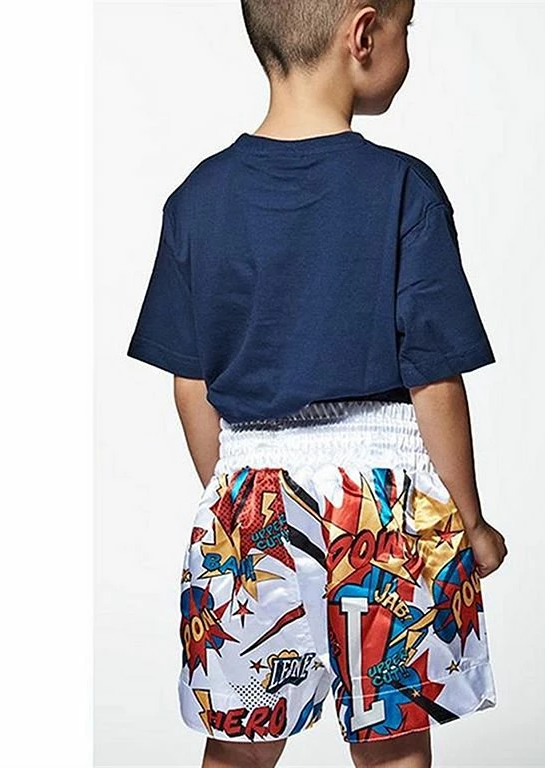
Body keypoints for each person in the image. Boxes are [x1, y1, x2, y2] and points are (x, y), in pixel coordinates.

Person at [126, 1, 508, 766]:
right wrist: (470, 522)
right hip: (382, 512)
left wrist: (239, 498)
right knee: (394, 746)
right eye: (407, 28)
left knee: (239, 748)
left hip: (252, 503)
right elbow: (434, 382)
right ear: (363, 35)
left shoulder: (197, 199)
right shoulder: (404, 189)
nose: (407, 45)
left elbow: (190, 386)